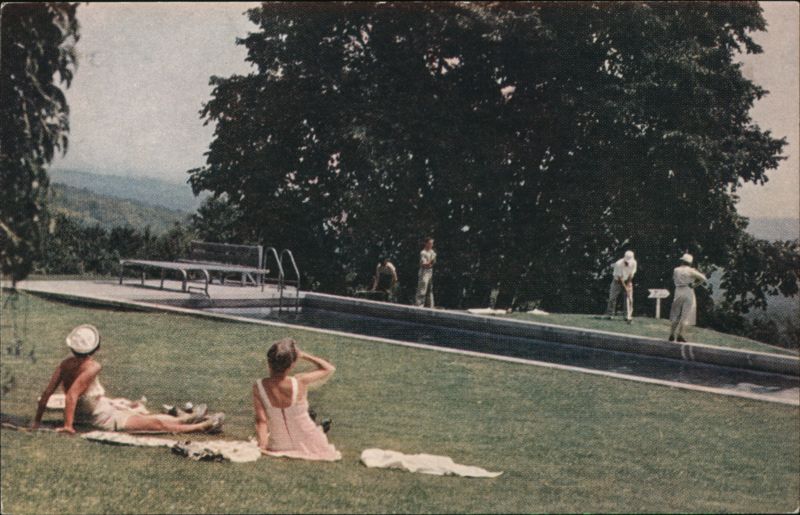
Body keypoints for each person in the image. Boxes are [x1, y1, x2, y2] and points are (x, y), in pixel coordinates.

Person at [32, 324, 224, 434]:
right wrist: (68, 426)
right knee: (154, 424)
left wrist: (37, 421)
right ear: (95, 348)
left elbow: (47, 394)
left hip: (97, 411)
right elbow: (72, 395)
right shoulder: (92, 367)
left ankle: (189, 418)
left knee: (147, 419)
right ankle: (202, 425)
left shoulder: (65, 363)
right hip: (100, 417)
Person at [252, 338, 341, 461]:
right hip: (312, 443)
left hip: (279, 445)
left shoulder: (259, 386)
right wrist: (303, 355)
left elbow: (261, 421)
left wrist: (263, 446)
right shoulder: (300, 381)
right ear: (292, 364)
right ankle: (319, 427)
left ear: (268, 362)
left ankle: (319, 426)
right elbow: (329, 368)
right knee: (307, 423)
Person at [669, 253, 707, 342]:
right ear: (690, 263)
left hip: (678, 290)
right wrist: (694, 285)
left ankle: (671, 334)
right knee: (685, 314)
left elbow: (673, 278)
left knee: (675, 313)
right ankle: (680, 334)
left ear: (682, 261)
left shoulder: (676, 270)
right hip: (688, 290)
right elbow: (703, 278)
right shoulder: (691, 271)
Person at [606, 250, 637, 323]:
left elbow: (631, 275)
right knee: (612, 298)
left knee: (629, 298)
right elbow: (620, 278)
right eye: (626, 261)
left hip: (627, 281)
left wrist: (628, 285)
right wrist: (625, 287)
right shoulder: (618, 263)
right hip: (617, 281)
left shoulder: (634, 263)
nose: (627, 263)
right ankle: (610, 314)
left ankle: (627, 316)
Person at [414, 237, 436, 308]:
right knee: (422, 289)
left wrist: (431, 263)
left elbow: (433, 263)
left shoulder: (432, 252)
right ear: (426, 243)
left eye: (432, 243)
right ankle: (419, 305)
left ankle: (430, 306)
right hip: (424, 272)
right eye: (430, 243)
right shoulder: (423, 252)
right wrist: (430, 262)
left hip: (430, 272)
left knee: (430, 289)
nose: (431, 245)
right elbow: (424, 264)